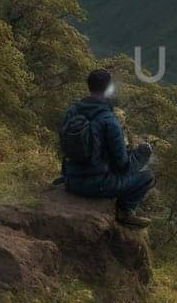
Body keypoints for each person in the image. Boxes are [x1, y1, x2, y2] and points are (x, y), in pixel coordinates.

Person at [59, 68, 155, 229]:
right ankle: (125, 212)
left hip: (70, 179)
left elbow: (66, 146)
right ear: (109, 88)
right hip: (98, 185)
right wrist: (140, 154)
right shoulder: (109, 120)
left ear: (89, 86)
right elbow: (122, 166)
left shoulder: (72, 112)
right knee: (147, 176)